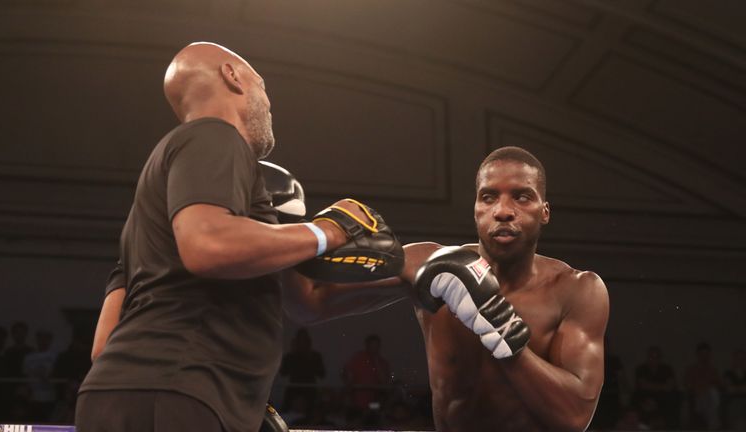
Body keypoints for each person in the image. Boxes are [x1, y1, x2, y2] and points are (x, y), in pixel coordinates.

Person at [76, 41, 397, 432]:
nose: (269, 104)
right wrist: (330, 231)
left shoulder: (145, 221)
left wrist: (415, 272)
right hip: (181, 388)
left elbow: (103, 347)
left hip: (113, 395)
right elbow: (208, 246)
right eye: (263, 86)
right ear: (232, 76)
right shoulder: (214, 134)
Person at [280, 146, 610, 431]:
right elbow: (308, 304)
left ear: (545, 212)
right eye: (488, 197)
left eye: (522, 196)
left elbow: (575, 417)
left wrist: (501, 331)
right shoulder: (428, 264)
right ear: (476, 209)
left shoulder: (577, 290)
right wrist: (287, 226)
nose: (503, 211)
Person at [341, 334, 392, 421]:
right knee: (357, 420)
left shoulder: (383, 362)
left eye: (376, 346)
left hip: (374, 402)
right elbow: (345, 372)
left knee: (372, 418)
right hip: (357, 401)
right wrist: (348, 383)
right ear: (367, 345)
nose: (374, 348)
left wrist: (376, 362)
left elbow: (384, 382)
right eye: (372, 345)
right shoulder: (357, 358)